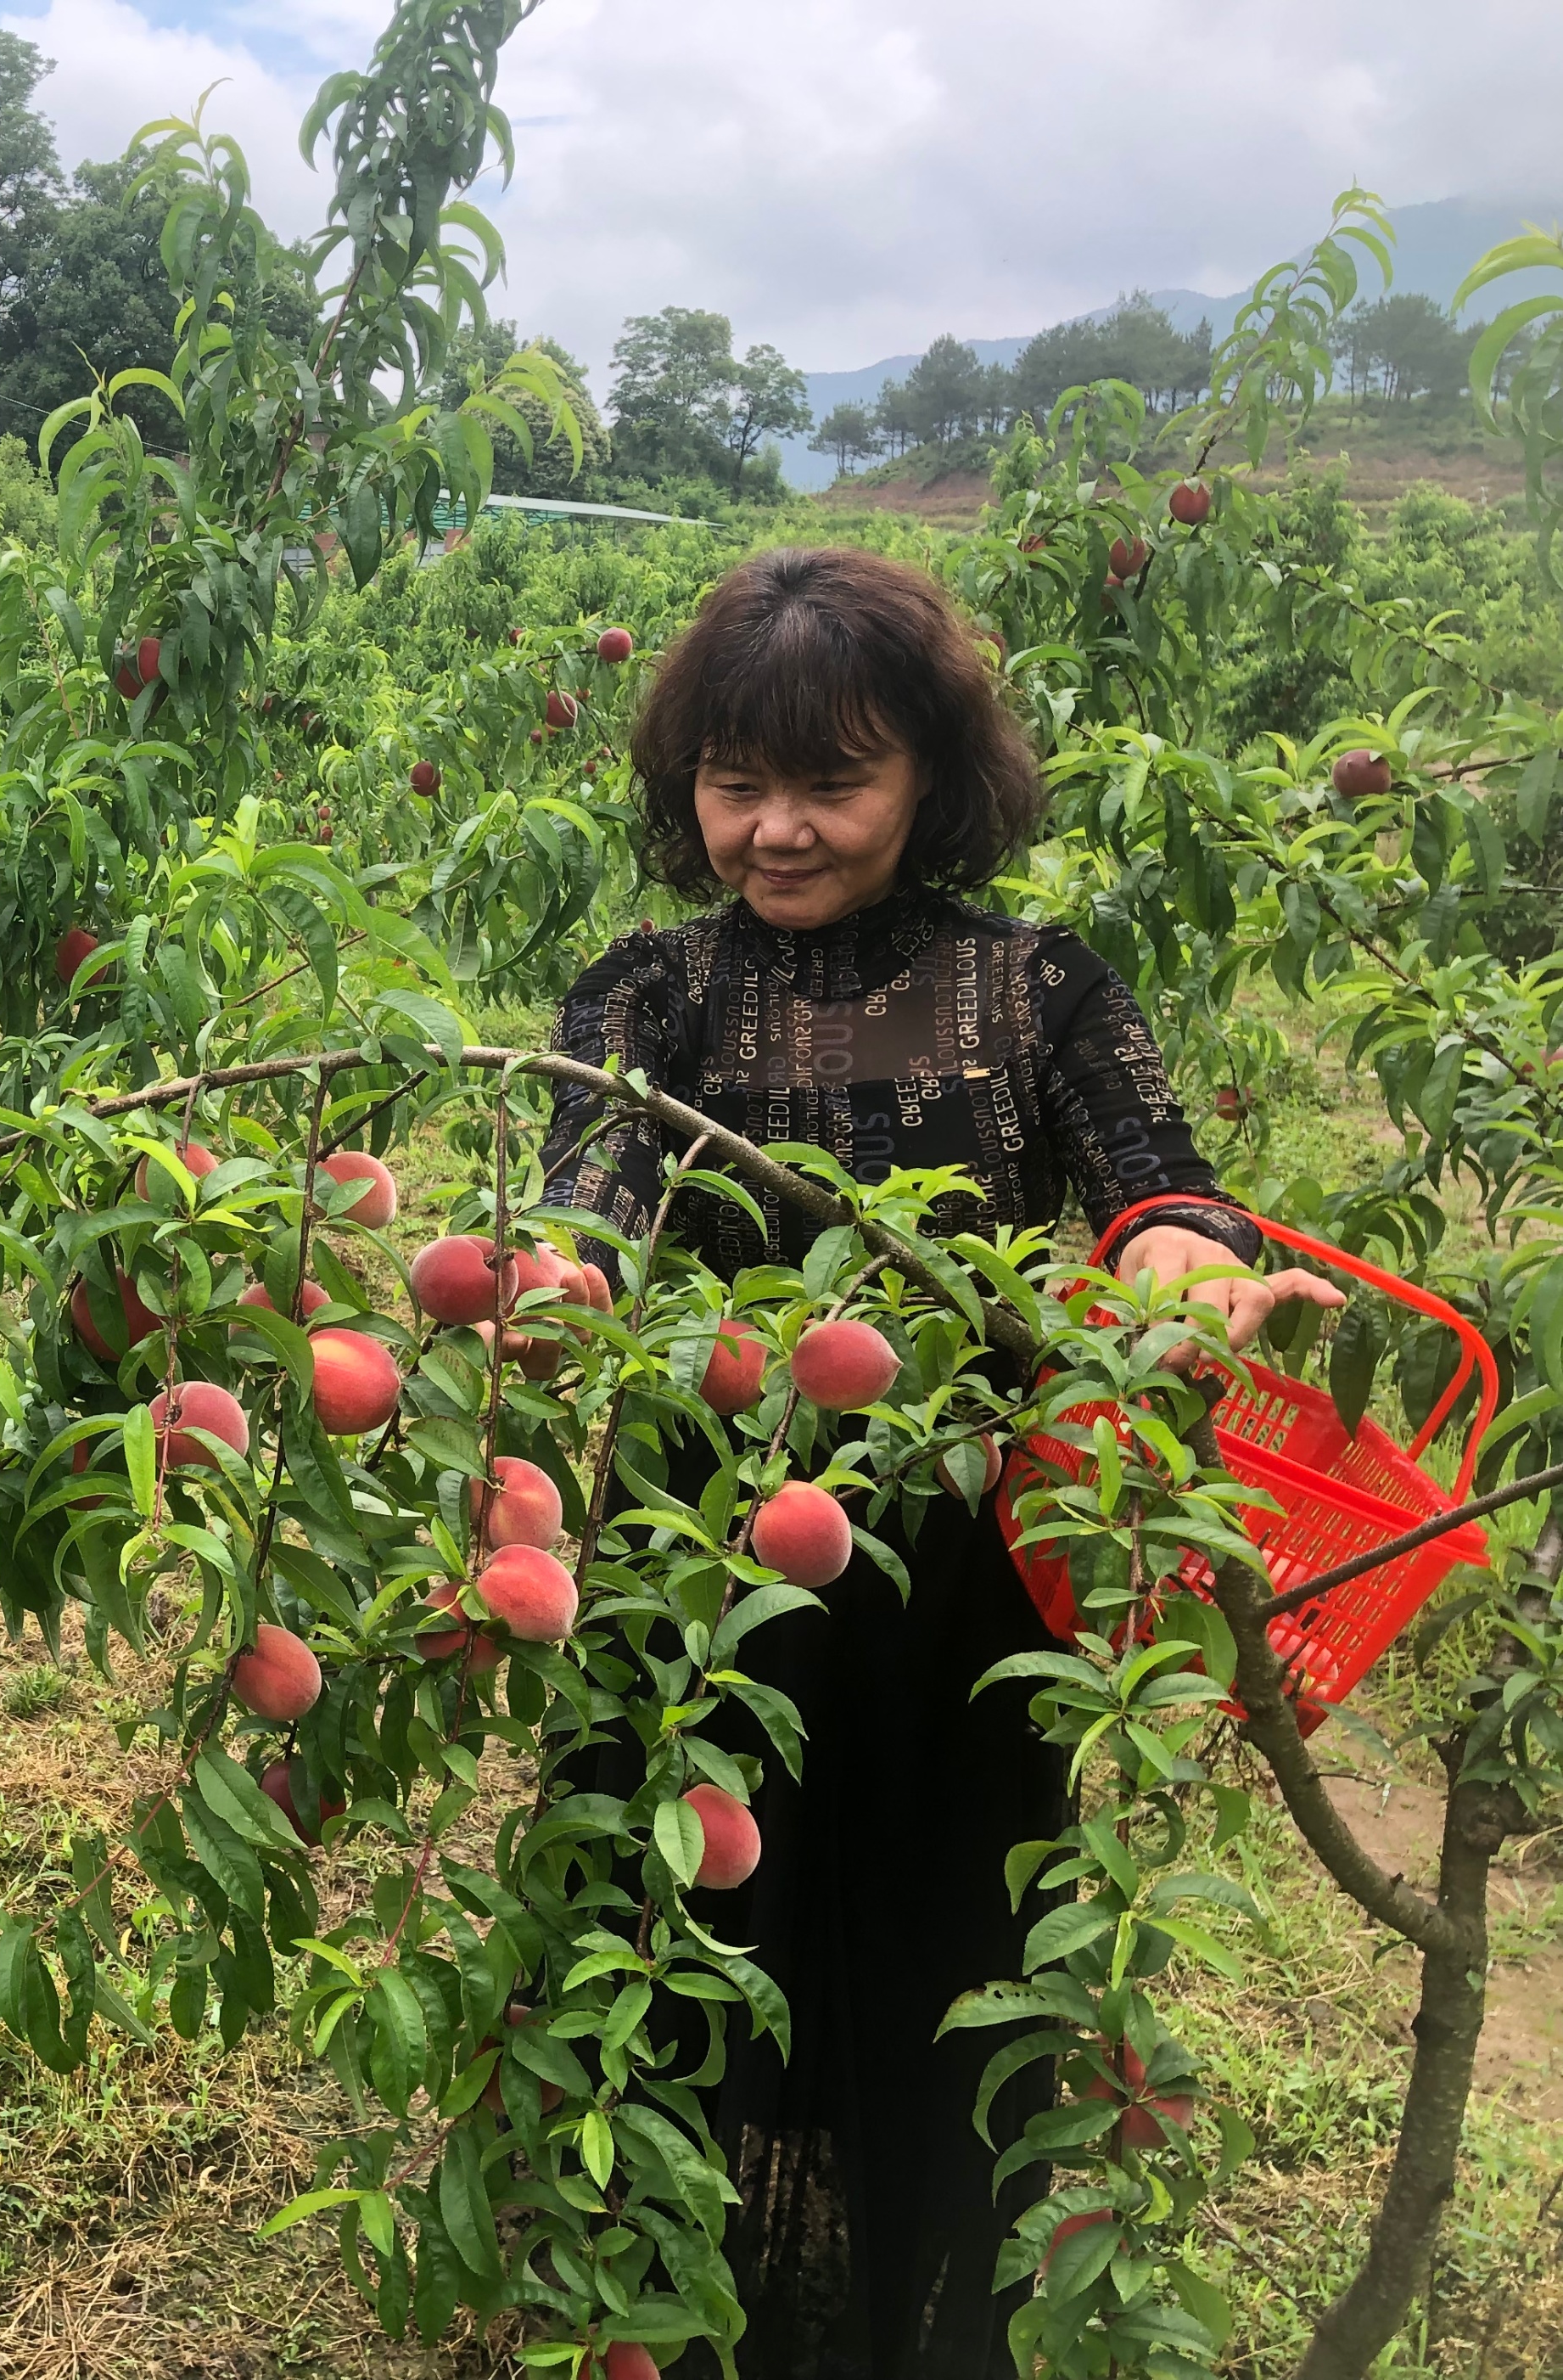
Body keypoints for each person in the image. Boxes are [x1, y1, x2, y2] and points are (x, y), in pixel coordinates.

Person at [536, 548, 1338, 2377]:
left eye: (833, 780)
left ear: (928, 779)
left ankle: (896, 2315)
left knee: (934, 1942)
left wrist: (1182, 1270)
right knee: (682, 1920)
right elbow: (586, 1189)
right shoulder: (646, 991)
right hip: (702, 1549)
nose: (778, 829)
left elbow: (1158, 1182)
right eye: (736, 784)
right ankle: (652, 2292)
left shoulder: (1034, 987)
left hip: (952, 1559)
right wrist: (547, 1279)